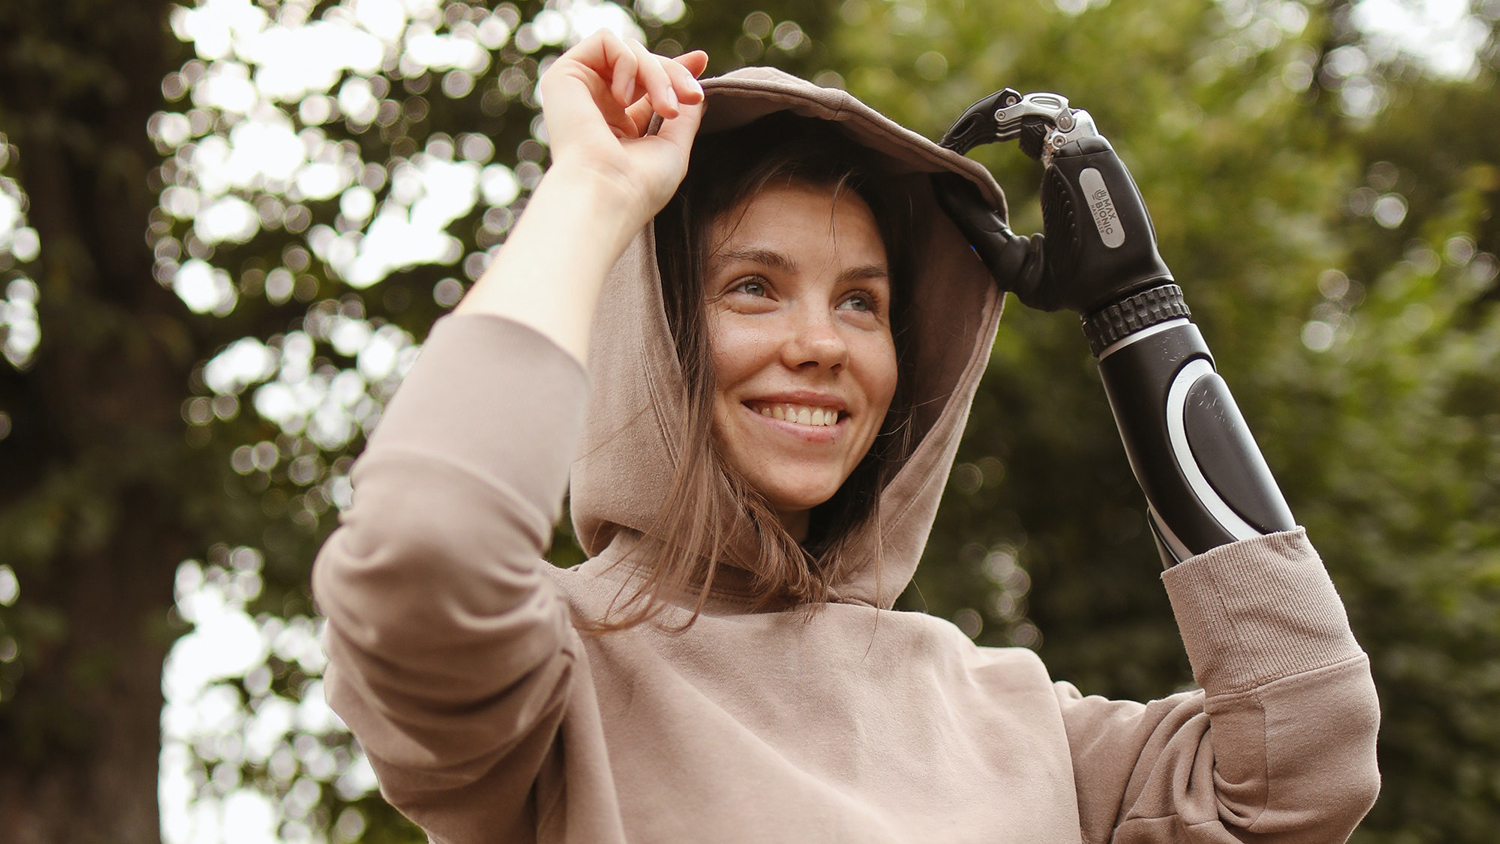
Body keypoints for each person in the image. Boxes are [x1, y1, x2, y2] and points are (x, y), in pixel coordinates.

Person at [312, 32, 1380, 844]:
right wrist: (594, 190)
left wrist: (1139, 320)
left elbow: (1307, 759)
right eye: (753, 287)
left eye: (863, 303)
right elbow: (423, 547)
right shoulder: (550, 678)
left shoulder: (1016, 716)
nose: (821, 344)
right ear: (661, 338)